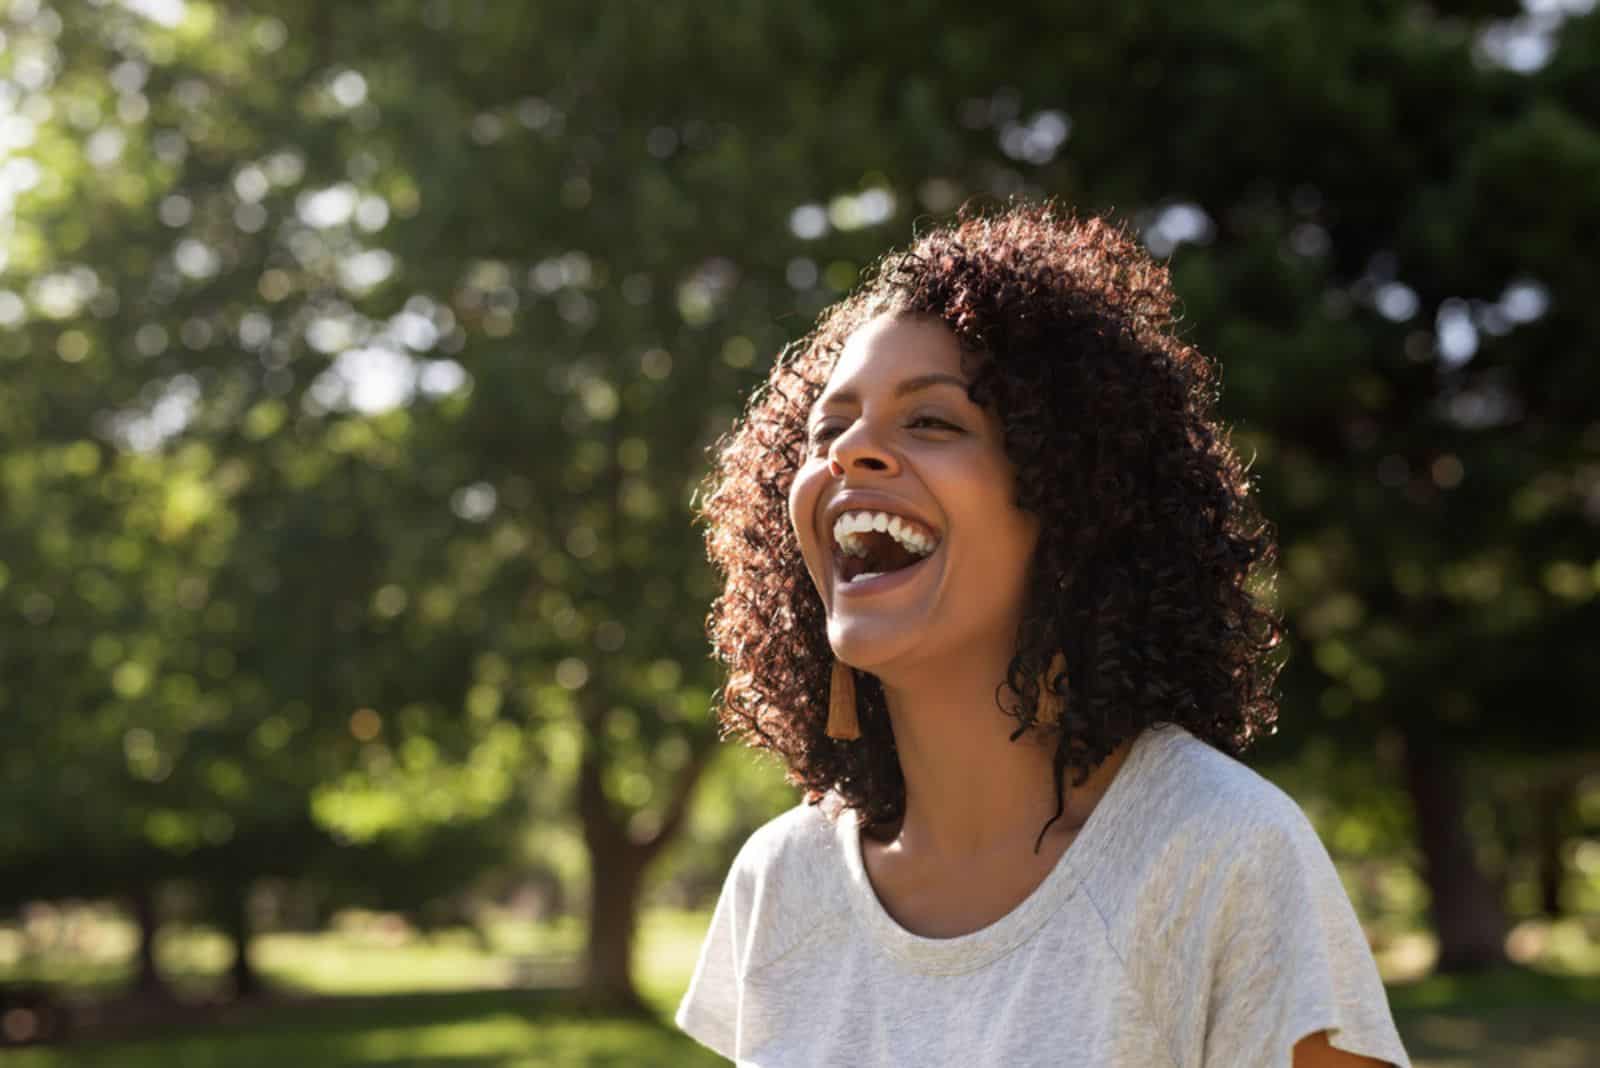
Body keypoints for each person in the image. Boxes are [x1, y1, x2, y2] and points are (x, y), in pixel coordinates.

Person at [677, 198, 1411, 1067]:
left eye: (934, 420)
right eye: (826, 429)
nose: (849, 453)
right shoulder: (781, 883)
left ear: (1071, 503)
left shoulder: (1221, 854)